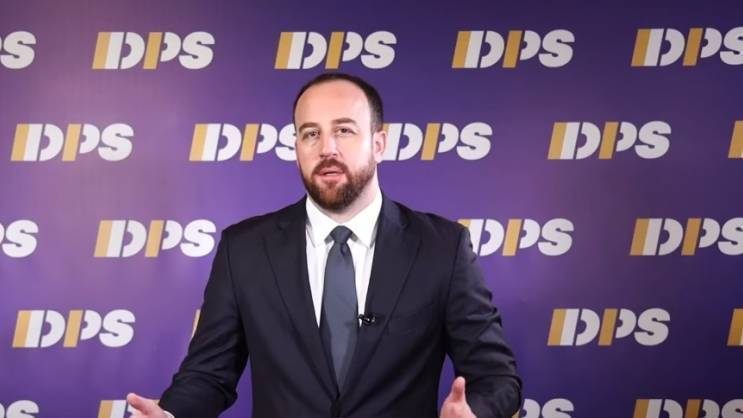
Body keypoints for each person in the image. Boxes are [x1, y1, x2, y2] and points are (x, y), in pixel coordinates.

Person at [127, 72, 522, 418]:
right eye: (311, 133)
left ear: (379, 144)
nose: (326, 148)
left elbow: (496, 376)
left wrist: (477, 411)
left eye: (344, 130)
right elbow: (208, 374)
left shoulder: (442, 248)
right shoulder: (243, 249)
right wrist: (172, 413)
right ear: (297, 145)